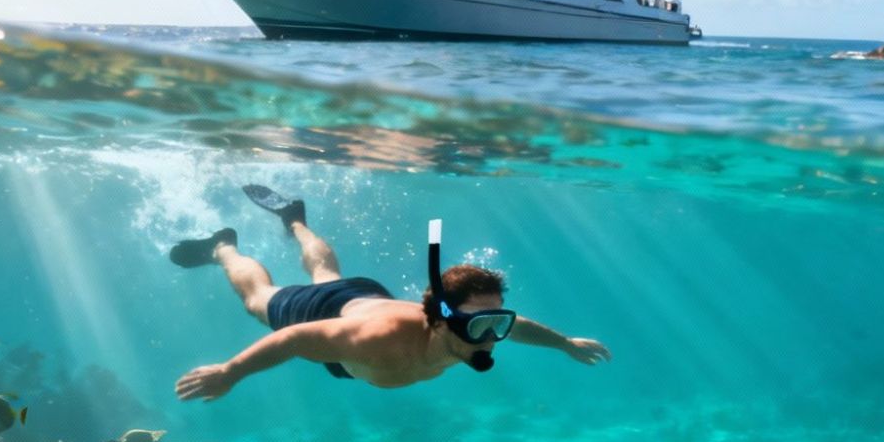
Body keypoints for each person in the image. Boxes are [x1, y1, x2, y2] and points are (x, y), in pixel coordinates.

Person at [170, 186, 610, 401]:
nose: (492, 337)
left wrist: (565, 344)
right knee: (259, 299)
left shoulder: (473, 330)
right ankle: (223, 247)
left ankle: (295, 219)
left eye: (496, 322)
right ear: (438, 319)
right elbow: (293, 339)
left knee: (327, 271)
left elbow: (516, 328)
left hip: (365, 299)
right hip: (337, 313)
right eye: (480, 325)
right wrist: (231, 371)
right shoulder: (375, 340)